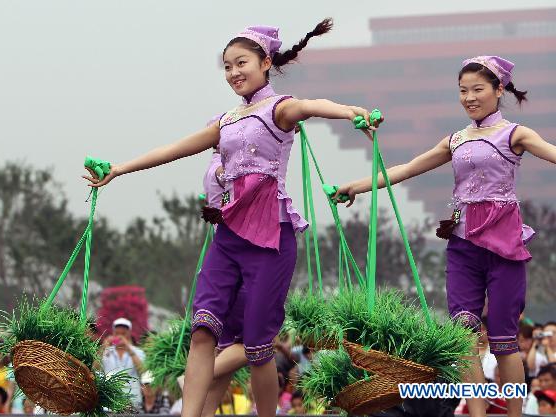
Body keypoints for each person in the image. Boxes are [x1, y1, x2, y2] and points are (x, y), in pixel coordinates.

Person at [84, 18, 379, 417]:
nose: (234, 72)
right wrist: (119, 169)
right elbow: (174, 148)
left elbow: (312, 106)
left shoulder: (279, 109)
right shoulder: (225, 122)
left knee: (258, 348)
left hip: (272, 237)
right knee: (203, 329)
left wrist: (350, 112)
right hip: (228, 236)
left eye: (241, 63)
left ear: (265, 62)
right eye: (227, 66)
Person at [337, 55, 556, 417]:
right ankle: (476, 412)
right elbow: (407, 168)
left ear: (499, 90)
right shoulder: (456, 139)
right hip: (463, 243)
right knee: (462, 335)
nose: (469, 97)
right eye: (463, 91)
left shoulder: (515, 133)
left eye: (478, 89)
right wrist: (356, 187)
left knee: (503, 340)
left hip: (504, 244)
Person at [101, 318, 145, 409]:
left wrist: (129, 349)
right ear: (113, 333)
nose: (120, 336)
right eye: (117, 333)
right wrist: (102, 349)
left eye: (123, 334)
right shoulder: (106, 350)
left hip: (132, 401)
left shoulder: (139, 352)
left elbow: (143, 371)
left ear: (129, 333)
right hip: (109, 401)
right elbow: (95, 368)